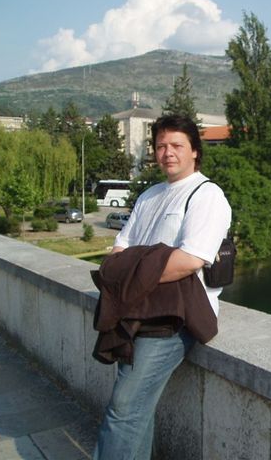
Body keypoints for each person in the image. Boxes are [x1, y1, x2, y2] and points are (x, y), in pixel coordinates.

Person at [92, 114, 231, 460]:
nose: (167, 152)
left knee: (124, 408)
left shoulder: (207, 195)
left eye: (177, 145)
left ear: (195, 151)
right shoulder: (149, 196)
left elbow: (191, 259)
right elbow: (119, 250)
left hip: (175, 318)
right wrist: (147, 262)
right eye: (160, 146)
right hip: (136, 310)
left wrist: (134, 271)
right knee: (135, 410)